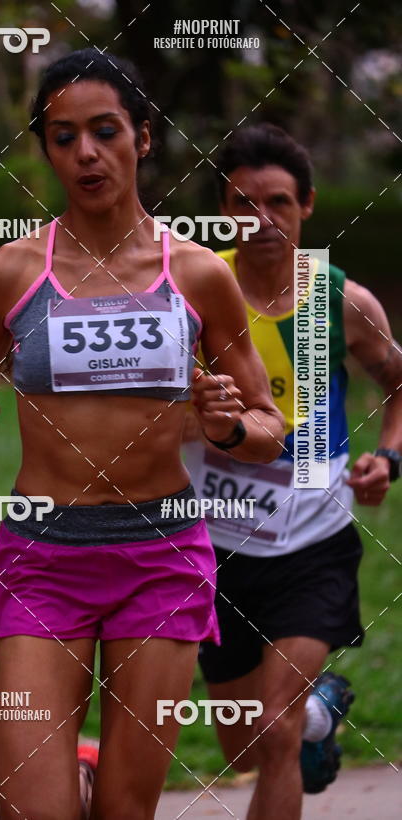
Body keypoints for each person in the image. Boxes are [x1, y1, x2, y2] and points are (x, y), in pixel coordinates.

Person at [0, 50, 284, 820]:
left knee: (128, 813)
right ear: (47, 150)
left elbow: (267, 429)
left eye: (104, 130)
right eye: (63, 137)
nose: (86, 153)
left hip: (161, 558)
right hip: (43, 556)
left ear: (143, 138)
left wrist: (227, 428)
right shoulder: (10, 269)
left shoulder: (196, 275)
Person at [183, 123, 402, 820]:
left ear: (306, 205)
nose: (261, 220)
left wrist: (389, 459)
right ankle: (318, 716)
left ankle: (297, 720)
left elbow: (398, 381)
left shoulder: (342, 301)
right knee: (244, 746)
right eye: (243, 203)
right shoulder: (192, 293)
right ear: (224, 210)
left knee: (271, 732)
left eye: (277, 202)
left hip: (313, 546)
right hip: (216, 551)